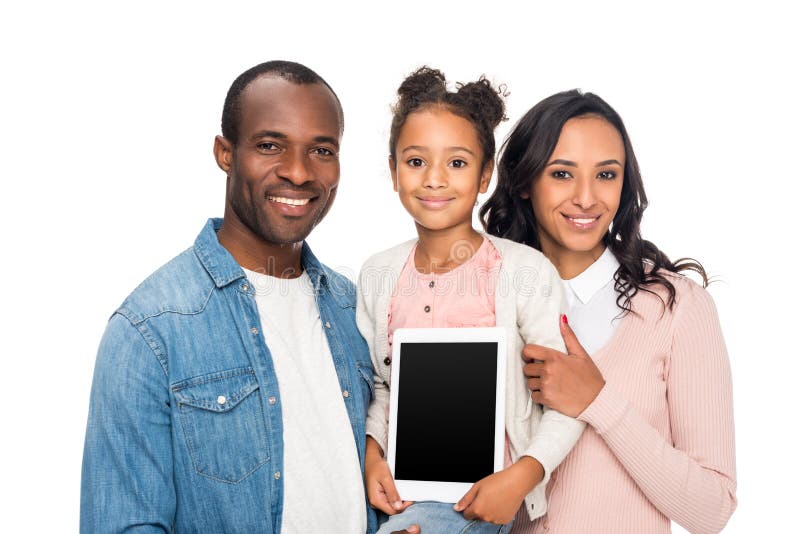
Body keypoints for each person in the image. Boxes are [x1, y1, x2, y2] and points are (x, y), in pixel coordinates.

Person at [80, 60, 378, 533]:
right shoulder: (150, 330)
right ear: (225, 153)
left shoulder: (357, 311)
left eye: (321, 150)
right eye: (269, 145)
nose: (299, 173)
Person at [481, 90, 737, 533]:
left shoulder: (677, 309)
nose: (586, 198)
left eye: (606, 175)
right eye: (562, 173)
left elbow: (712, 510)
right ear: (525, 182)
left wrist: (598, 402)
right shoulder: (485, 299)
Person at [356, 67, 584, 534]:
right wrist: (371, 453)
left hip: (478, 500)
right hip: (398, 492)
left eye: (457, 163)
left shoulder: (522, 272)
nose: (435, 179)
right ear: (393, 171)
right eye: (416, 162)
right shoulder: (379, 274)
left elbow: (567, 400)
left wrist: (521, 478)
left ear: (484, 176)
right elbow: (380, 385)